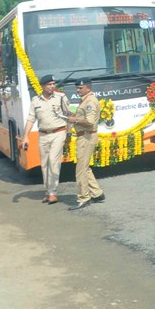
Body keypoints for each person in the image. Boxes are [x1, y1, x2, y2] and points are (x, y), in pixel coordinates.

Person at [22, 74, 71, 204]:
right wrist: (25, 136)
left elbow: (68, 115)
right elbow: (31, 119)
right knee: (44, 164)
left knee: (53, 162)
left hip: (58, 133)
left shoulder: (61, 98)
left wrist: (69, 133)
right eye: (49, 84)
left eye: (53, 84)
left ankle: (53, 192)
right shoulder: (36, 101)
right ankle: (48, 191)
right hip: (43, 135)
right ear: (42, 86)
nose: (52, 86)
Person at [66, 78, 105, 210]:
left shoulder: (90, 102)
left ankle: (84, 198)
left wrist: (74, 120)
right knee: (85, 167)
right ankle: (97, 193)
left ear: (88, 87)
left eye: (80, 88)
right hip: (85, 136)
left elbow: (89, 122)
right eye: (77, 88)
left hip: (86, 136)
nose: (77, 90)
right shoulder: (85, 100)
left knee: (81, 170)